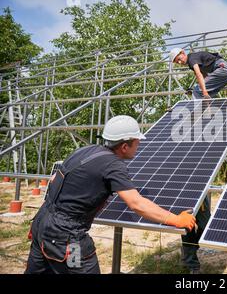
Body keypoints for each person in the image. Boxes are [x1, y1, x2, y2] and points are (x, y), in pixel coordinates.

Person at [25, 115, 196, 274]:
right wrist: (175, 219)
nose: (139, 145)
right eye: (137, 142)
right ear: (124, 146)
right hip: (68, 240)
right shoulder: (113, 165)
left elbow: (55, 178)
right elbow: (137, 204)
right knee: (78, 267)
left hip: (41, 225)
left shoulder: (86, 150)